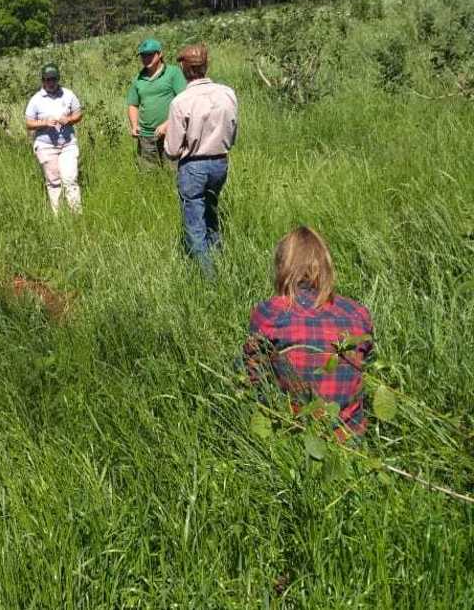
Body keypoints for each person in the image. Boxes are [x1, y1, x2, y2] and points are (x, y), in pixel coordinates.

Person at [243, 226, 374, 439]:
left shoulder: (269, 312)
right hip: (350, 439)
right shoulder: (358, 313)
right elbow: (366, 371)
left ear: (283, 267)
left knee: (243, 363)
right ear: (326, 266)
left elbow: (254, 376)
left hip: (292, 435)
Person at [161, 44, 238, 276]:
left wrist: (166, 139)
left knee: (195, 225)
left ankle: (208, 278)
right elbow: (232, 132)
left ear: (183, 67)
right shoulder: (227, 93)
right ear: (206, 65)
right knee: (211, 215)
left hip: (193, 166)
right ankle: (220, 264)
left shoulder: (181, 102)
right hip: (220, 163)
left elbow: (173, 149)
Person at [24, 64, 84, 214]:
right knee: (54, 182)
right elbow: (29, 123)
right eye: (47, 79)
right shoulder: (36, 100)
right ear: (43, 80)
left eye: (53, 79)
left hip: (67, 144)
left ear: (58, 79)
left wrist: (69, 119)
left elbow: (78, 114)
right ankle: (58, 217)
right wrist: (44, 122)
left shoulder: (68, 94)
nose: (51, 82)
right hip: (46, 146)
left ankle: (76, 215)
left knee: (70, 179)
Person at [125, 38, 187, 169]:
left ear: (160, 54)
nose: (146, 58)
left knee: (173, 171)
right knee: (148, 174)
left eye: (150, 55)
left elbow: (184, 101)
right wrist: (134, 125)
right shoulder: (138, 79)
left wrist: (168, 124)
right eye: (143, 55)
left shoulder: (173, 73)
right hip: (146, 136)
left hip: (171, 133)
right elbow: (133, 104)